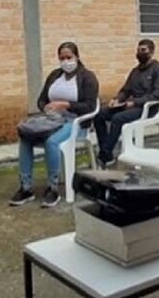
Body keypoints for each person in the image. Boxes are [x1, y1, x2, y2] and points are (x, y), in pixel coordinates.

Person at [11, 42, 99, 208]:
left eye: (69, 57)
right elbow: (41, 100)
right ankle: (26, 187)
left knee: (51, 141)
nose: (65, 61)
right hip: (52, 121)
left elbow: (90, 107)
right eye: (62, 58)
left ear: (77, 57)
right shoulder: (55, 75)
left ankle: (52, 188)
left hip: (76, 123)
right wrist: (45, 107)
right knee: (26, 137)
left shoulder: (88, 77)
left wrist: (65, 104)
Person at [94, 39, 159, 168]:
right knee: (99, 115)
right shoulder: (135, 71)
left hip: (148, 108)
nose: (140, 53)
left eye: (143, 50)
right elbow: (126, 90)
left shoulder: (158, 70)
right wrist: (117, 99)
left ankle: (104, 156)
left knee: (117, 119)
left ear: (151, 52)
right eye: (138, 50)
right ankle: (107, 154)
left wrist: (135, 102)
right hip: (129, 106)